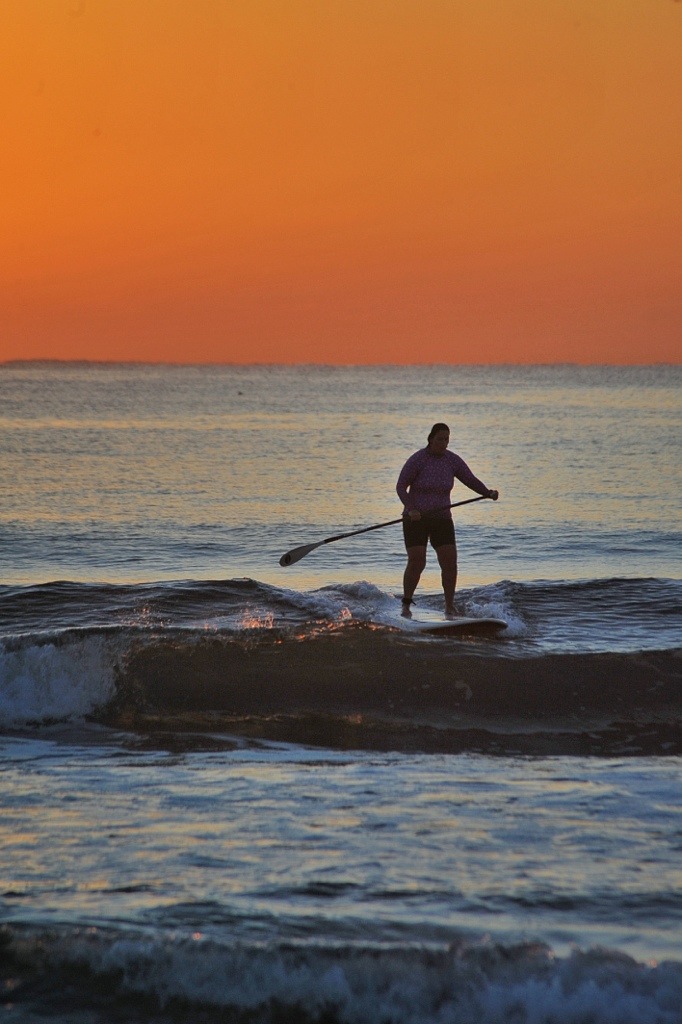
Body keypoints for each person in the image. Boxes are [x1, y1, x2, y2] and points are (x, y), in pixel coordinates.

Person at [396, 423, 498, 617]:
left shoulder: (452, 460)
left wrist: (487, 492)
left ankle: (449, 606)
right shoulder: (418, 459)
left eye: (447, 439)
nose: (444, 443)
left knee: (450, 563)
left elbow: (470, 479)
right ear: (430, 439)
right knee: (417, 562)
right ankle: (406, 605)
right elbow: (401, 487)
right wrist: (411, 508)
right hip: (416, 519)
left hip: (442, 518)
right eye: (440, 439)